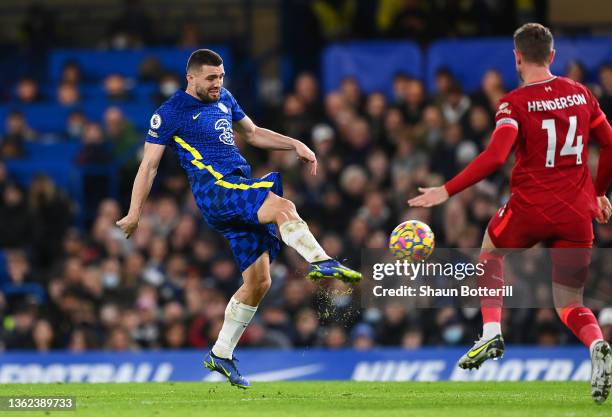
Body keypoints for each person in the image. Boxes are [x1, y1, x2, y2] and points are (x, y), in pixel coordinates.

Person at [116, 49, 361, 389]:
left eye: (221, 77)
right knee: (283, 207)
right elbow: (149, 166)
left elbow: (254, 133)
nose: (218, 83)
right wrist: (134, 214)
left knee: (259, 282)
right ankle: (321, 261)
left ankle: (221, 353)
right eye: (211, 78)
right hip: (216, 189)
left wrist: (295, 144)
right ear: (191, 78)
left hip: (236, 186)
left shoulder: (225, 98)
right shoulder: (170, 113)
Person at [408, 23, 612, 404]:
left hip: (530, 208)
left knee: (490, 250)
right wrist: (599, 194)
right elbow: (611, 143)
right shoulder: (581, 94)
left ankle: (490, 331)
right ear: (552, 56)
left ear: (517, 57)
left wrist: (446, 189)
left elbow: (496, 157)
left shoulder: (514, 103)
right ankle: (597, 343)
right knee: (570, 302)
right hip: (575, 213)